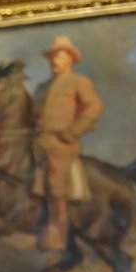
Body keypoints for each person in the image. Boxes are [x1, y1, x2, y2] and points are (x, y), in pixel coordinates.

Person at [32, 35, 104, 251]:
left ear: (71, 59)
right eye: (53, 57)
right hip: (38, 140)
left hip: (62, 143)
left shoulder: (78, 82)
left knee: (55, 181)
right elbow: (35, 113)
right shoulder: (42, 87)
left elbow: (94, 107)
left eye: (60, 57)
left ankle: (58, 232)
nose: (55, 61)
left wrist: (74, 131)